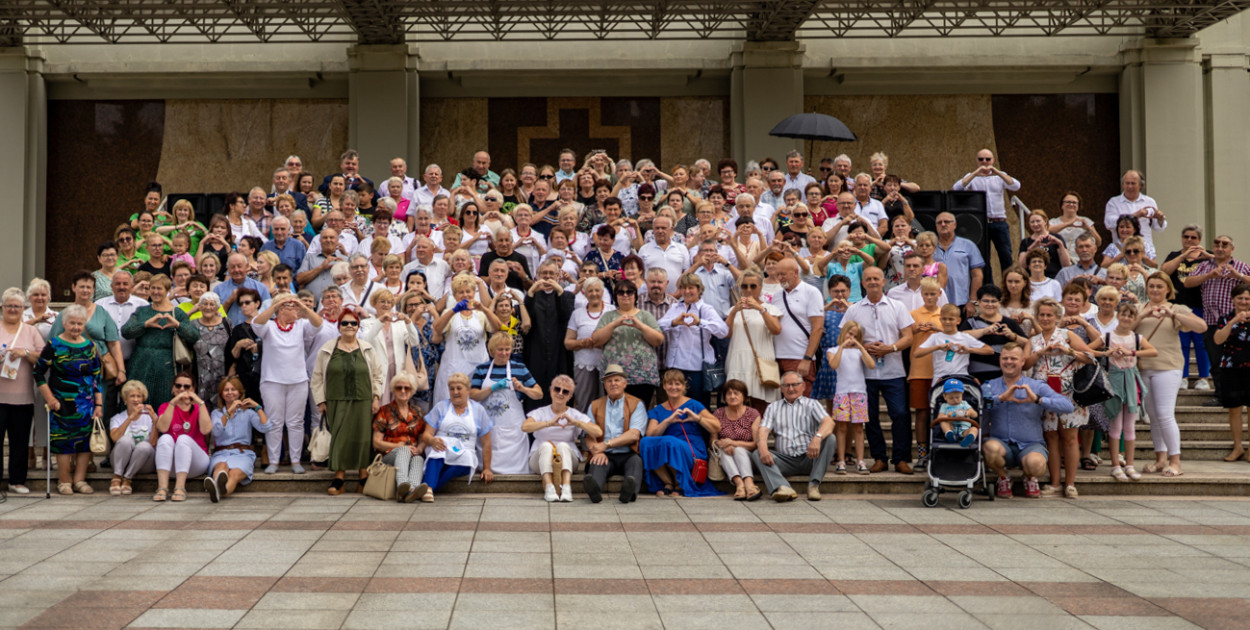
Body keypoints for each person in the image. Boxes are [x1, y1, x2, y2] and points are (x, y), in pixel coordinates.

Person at [843, 267, 914, 474]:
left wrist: (890, 348)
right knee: (870, 416)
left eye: (876, 278)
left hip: (894, 371)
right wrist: (864, 349)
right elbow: (845, 338)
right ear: (863, 283)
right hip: (864, 373)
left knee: (900, 414)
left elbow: (908, 336)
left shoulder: (897, 306)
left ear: (883, 281)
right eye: (868, 279)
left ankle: (900, 458)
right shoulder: (854, 309)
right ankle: (879, 458)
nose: (872, 282)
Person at [982, 343, 1073, 498]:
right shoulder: (990, 385)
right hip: (1001, 443)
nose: (1008, 362)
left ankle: (1029, 477)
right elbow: (977, 405)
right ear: (1000, 360)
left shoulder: (1036, 386)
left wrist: (1038, 400)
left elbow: (1067, 406)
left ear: (1023, 361)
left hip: (1030, 444)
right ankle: (1003, 477)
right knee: (990, 449)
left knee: (1036, 465)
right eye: (1005, 358)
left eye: (1013, 358)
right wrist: (1000, 398)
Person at [1137, 271, 1205, 477]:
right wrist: (1142, 315)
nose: (1155, 290)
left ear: (1168, 289)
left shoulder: (1177, 308)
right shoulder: (1139, 308)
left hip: (1168, 366)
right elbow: (1124, 330)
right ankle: (1161, 458)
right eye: (1152, 286)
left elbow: (1201, 327)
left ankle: (1176, 462)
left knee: (1165, 414)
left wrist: (1173, 315)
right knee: (1154, 417)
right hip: (1143, 367)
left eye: (1159, 286)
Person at [311, 307, 386, 495]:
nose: (349, 326)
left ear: (358, 326)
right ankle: (339, 478)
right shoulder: (327, 349)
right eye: (345, 323)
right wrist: (321, 401)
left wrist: (376, 397)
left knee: (362, 437)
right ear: (339, 326)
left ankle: (363, 476)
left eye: (353, 323)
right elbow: (317, 377)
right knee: (340, 437)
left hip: (363, 399)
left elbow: (377, 375)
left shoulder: (367, 349)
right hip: (336, 399)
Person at [1024, 297, 1093, 499]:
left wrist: (1068, 350)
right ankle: (1054, 482)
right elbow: (1025, 364)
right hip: (1044, 393)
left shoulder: (1067, 335)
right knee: (1051, 438)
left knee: (1070, 438)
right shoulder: (1033, 340)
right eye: (1042, 315)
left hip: (1068, 391)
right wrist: (1041, 353)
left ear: (1057, 317)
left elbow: (1090, 357)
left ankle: (1070, 483)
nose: (1045, 318)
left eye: (1049, 315)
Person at [34, 304, 103, 496]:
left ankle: (80, 480)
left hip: (86, 403)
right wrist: (50, 398)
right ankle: (64, 480)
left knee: (84, 441)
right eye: (72, 323)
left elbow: (96, 377)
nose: (76, 327)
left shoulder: (89, 346)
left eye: (80, 324)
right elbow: (39, 373)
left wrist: (99, 404)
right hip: (60, 402)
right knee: (62, 441)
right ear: (64, 323)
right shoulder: (54, 344)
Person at [252, 293, 322, 473]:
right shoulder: (269, 326)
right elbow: (256, 324)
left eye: (294, 306)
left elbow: (318, 323)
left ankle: (295, 460)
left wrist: (302, 305)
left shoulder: (301, 325)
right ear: (280, 309)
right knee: (275, 422)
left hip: (298, 380)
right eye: (289, 306)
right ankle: (274, 461)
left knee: (296, 422)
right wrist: (276, 305)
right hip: (272, 381)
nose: (295, 309)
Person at [1091, 302, 1155, 481]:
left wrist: (1132, 353)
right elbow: (1088, 349)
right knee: (1116, 425)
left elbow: (1153, 351)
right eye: (1124, 314)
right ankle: (1114, 465)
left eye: (1130, 316)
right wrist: (1107, 353)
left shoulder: (1137, 338)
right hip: (1115, 380)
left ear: (1134, 319)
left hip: (1131, 380)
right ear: (1118, 315)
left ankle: (1129, 464)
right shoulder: (1108, 336)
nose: (1126, 318)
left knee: (1129, 426)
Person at [753, 371, 836, 501]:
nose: (791, 389)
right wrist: (763, 448)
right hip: (784, 461)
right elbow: (763, 430)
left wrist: (817, 437)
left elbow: (829, 422)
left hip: (810, 457)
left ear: (803, 386)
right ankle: (783, 487)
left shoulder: (812, 404)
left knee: (830, 439)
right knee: (757, 453)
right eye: (786, 385)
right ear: (781, 388)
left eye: (794, 385)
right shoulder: (773, 407)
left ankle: (813, 485)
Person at [1185, 235, 1250, 402]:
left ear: (1231, 249)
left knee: (1238, 360)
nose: (1220, 247)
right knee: (1216, 360)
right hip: (1211, 322)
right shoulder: (1205, 266)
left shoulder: (1242, 266)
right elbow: (1188, 282)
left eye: (1225, 244)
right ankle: (1221, 395)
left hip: (1237, 322)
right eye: (1217, 244)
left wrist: (1238, 276)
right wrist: (1209, 275)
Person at [121, 274, 200, 409]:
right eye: (153, 288)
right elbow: (126, 332)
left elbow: (194, 336)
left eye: (160, 288)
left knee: (164, 403)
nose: (155, 292)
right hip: (141, 364)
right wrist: (145, 324)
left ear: (167, 290)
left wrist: (177, 325)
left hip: (167, 366)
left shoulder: (178, 313)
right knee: (138, 401)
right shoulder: (143, 311)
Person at [639, 369, 722, 497]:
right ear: (664, 386)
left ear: (684, 386)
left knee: (669, 442)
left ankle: (679, 484)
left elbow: (716, 427)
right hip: (670, 446)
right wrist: (668, 421)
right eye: (670, 384)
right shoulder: (658, 409)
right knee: (645, 443)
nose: (674, 387)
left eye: (677, 384)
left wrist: (697, 418)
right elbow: (650, 434)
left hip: (693, 450)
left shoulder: (693, 404)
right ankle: (668, 483)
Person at [470, 332, 543, 474]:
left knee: (516, 468)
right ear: (492, 351)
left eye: (507, 349)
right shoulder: (482, 369)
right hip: (488, 426)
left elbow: (539, 393)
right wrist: (492, 388)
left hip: (513, 429)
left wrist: (523, 388)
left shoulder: (519, 368)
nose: (504, 353)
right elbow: (473, 396)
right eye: (500, 349)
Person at [523, 374, 600, 502]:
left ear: (570, 396)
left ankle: (566, 488)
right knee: (546, 446)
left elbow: (597, 432)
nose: (560, 393)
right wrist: (549, 423)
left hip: (568, 458)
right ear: (551, 390)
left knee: (563, 445)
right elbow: (525, 427)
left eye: (565, 391)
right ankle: (549, 487)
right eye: (557, 389)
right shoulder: (541, 412)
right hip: (539, 458)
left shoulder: (574, 414)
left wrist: (577, 423)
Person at [419, 373, 493, 502]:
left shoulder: (478, 410)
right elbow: (426, 435)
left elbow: (486, 443)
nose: (455, 392)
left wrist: (487, 468)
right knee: (437, 455)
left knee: (466, 462)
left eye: (459, 388)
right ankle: (428, 489)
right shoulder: (441, 407)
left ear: (468, 390)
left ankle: (426, 488)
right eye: (452, 389)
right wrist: (432, 440)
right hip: (442, 448)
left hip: (464, 452)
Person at [657, 274, 729, 408]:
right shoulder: (675, 308)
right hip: (676, 365)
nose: (687, 291)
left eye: (691, 288)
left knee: (698, 406)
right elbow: (658, 326)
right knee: (675, 405)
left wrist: (700, 322)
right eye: (683, 288)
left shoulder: (706, 309)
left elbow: (723, 331)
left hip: (697, 368)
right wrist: (674, 322)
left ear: (699, 290)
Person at [0, 287, 45, 495]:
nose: (12, 309)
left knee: (19, 441)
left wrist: (25, 353)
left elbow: (43, 358)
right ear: (2, 307)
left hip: (23, 396)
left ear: (23, 309)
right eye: (9, 305)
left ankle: (17, 481)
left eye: (17, 306)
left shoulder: (30, 331)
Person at [952, 149, 1019, 282]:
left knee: (1005, 255)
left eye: (988, 159)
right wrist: (976, 173)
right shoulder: (972, 177)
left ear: (993, 160)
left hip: (999, 222)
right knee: (984, 258)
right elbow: (957, 188)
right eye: (981, 159)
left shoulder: (1000, 176)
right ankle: (989, 289)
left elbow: (1016, 186)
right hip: (981, 223)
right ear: (977, 161)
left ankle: (1008, 286)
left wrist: (998, 172)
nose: (984, 162)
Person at [1160, 225, 1213, 391]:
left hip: (1200, 305)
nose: (1189, 240)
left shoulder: (1206, 257)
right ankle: (1182, 377)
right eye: (1186, 237)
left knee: (1200, 344)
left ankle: (1203, 378)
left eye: (1193, 238)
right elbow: (1164, 271)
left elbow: (1222, 264)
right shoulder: (1175, 256)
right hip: (1178, 306)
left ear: (1199, 240)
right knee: (1181, 344)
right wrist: (1183, 255)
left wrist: (1205, 255)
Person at [725, 268, 783, 410]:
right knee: (738, 400)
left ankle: (762, 431)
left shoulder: (770, 308)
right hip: (738, 359)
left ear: (761, 287)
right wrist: (733, 312)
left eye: (753, 286)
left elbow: (776, 330)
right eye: (744, 286)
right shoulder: (733, 310)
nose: (749, 290)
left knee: (761, 402)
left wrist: (761, 309)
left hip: (760, 359)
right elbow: (726, 333)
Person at [203, 377, 268, 502]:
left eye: (233, 389)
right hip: (221, 453)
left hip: (243, 453)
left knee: (233, 474)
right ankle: (219, 488)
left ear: (239, 392)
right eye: (226, 390)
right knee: (221, 466)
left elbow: (265, 427)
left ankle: (219, 490)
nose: (230, 392)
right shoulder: (216, 413)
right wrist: (228, 411)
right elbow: (216, 431)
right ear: (222, 394)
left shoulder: (248, 413)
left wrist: (257, 407)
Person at [523, 259, 575, 409]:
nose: (547, 277)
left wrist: (559, 291)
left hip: (558, 351)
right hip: (536, 350)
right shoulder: (531, 296)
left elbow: (565, 315)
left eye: (551, 273)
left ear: (558, 275)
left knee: (558, 387)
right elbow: (527, 320)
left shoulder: (567, 296)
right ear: (538, 275)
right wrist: (531, 292)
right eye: (544, 273)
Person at [827, 321, 877, 475]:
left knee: (858, 428)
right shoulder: (833, 350)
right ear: (843, 333)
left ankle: (860, 460)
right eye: (849, 334)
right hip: (842, 392)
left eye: (855, 335)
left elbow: (871, 365)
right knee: (841, 427)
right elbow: (834, 365)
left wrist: (860, 347)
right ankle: (841, 459)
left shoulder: (859, 352)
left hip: (859, 392)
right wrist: (842, 347)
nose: (851, 337)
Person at [152, 372, 211, 502]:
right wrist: (173, 402)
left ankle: (180, 488)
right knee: (165, 438)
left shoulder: (198, 407)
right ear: (173, 388)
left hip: (197, 464)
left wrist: (200, 402)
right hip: (172, 466)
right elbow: (162, 428)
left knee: (183, 439)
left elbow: (206, 430)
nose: (182, 389)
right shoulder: (166, 407)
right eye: (178, 386)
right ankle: (162, 487)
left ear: (193, 389)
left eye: (187, 386)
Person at [371, 372, 430, 503]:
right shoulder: (384, 411)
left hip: (412, 454)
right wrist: (399, 446)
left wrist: (419, 449)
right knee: (404, 451)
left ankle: (411, 491)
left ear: (412, 391)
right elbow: (376, 443)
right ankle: (402, 486)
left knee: (418, 459)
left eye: (406, 388)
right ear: (393, 390)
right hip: (388, 455)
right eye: (399, 388)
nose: (403, 391)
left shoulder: (418, 412)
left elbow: (423, 438)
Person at [771, 259, 824, 395]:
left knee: (801, 403)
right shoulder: (777, 295)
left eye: (783, 274)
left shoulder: (811, 292)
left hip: (800, 357)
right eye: (777, 275)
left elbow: (818, 328)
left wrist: (807, 358)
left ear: (795, 272)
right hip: (777, 358)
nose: (780, 278)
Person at [359, 290, 421, 405]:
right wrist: (380, 321)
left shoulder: (399, 323)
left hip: (397, 371)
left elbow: (414, 342)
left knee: (397, 405)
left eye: (389, 302)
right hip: (378, 372)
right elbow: (366, 342)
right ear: (374, 303)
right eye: (382, 301)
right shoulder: (367, 323)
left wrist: (408, 322)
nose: (386, 305)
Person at [564, 277, 614, 411]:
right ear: (585, 293)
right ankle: (584, 431)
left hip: (608, 364)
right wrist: (583, 343)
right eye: (590, 291)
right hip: (584, 364)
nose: (594, 294)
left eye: (597, 290)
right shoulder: (577, 314)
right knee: (584, 401)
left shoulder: (612, 311)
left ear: (603, 292)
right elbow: (568, 343)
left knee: (608, 403)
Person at [960, 285, 1028, 383]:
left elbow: (1028, 343)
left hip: (1005, 376)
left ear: (999, 302)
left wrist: (1013, 336)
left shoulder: (1009, 323)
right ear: (979, 302)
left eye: (994, 301)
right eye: (986, 301)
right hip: (976, 377)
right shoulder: (971, 322)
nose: (990, 304)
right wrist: (983, 331)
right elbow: (959, 337)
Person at [1215, 283, 1250, 462]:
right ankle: (1238, 447)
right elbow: (1218, 339)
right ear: (1233, 299)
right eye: (1240, 298)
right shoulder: (1226, 318)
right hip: (1230, 368)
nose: (1243, 302)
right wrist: (1234, 321)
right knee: (1234, 410)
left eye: (1247, 298)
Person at [711, 379, 762, 500]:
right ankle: (739, 484)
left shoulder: (753, 414)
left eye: (736, 393)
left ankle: (749, 483)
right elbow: (713, 440)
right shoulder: (718, 413)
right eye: (729, 394)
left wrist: (733, 443)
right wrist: (723, 444)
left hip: (749, 457)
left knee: (738, 450)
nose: (732, 396)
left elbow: (755, 444)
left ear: (744, 396)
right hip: (727, 455)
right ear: (724, 397)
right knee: (723, 451)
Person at [107, 380, 156, 496]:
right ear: (125, 399)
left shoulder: (150, 417)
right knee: (124, 440)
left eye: (139, 396)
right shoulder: (118, 418)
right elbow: (115, 438)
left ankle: (128, 479)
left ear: (143, 399)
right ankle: (117, 477)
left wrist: (155, 421)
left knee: (144, 446)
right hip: (121, 461)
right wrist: (130, 418)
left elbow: (153, 443)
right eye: (132, 396)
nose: (135, 399)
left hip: (144, 462)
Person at [1104, 170, 1166, 262]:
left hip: (1145, 250)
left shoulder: (1149, 201)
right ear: (1122, 184)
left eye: (1133, 183)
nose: (1129, 186)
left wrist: (1160, 219)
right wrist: (1136, 215)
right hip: (1121, 251)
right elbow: (1109, 223)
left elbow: (1158, 228)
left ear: (1141, 185)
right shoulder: (1113, 202)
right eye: (1127, 183)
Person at [933, 212, 985, 316]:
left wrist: (973, 301)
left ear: (955, 225)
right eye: (939, 222)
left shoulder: (968, 245)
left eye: (947, 222)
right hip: (935, 302)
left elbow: (977, 275)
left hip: (961, 303)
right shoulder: (929, 247)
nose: (943, 224)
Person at [189, 291, 230, 410]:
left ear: (217, 307)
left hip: (222, 374)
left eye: (212, 304)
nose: (208, 307)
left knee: (222, 405)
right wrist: (191, 311)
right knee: (202, 408)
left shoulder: (226, 323)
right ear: (199, 306)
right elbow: (179, 329)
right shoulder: (193, 324)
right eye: (204, 304)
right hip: (200, 375)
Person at [223, 288, 263, 402]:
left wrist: (259, 347)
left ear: (257, 303)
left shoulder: (268, 324)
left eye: (247, 302)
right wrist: (239, 345)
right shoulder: (238, 329)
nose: (243, 306)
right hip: (245, 376)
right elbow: (232, 356)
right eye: (241, 303)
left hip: (265, 374)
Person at [1018, 209, 1069, 277]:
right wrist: (1032, 247)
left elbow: (1066, 264)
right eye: (1032, 222)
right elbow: (1022, 266)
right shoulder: (1026, 242)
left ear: (1045, 221)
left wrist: (1060, 245)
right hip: (1032, 278)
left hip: (1054, 277)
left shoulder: (1056, 238)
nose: (1035, 224)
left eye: (1038, 221)